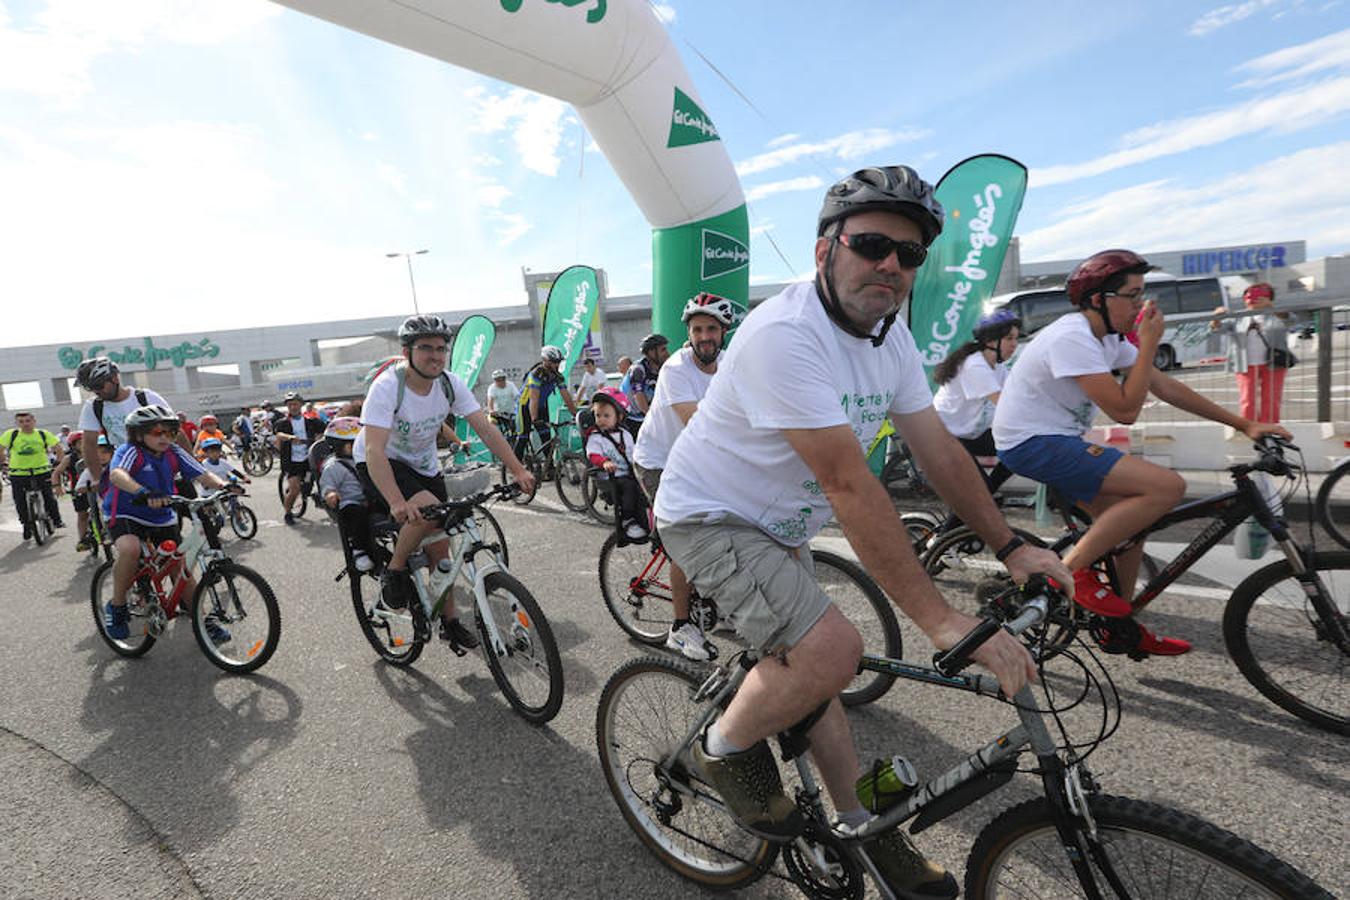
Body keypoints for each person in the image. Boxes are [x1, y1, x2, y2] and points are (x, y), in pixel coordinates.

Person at [654, 166, 1070, 897]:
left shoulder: (889, 336)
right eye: (872, 244)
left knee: (820, 678)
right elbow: (850, 484)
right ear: (825, 251)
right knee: (832, 648)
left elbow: (936, 447)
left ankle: (860, 829)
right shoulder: (785, 336)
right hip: (710, 512)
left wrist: (1011, 545)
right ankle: (723, 749)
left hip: (779, 520)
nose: (891, 264)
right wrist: (940, 618)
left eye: (908, 254)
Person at [993, 249, 1290, 656]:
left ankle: (1119, 624)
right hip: (1031, 441)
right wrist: (1148, 342)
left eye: (1141, 294)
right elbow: (1126, 409)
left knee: (1132, 528)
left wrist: (1245, 424)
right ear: (1099, 299)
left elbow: (1165, 387)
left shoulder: (1105, 338)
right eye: (1132, 295)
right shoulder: (1072, 337)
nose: (1141, 304)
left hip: (1058, 439)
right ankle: (1069, 575)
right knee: (1166, 487)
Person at [355, 314, 534, 648]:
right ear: (407, 350)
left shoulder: (450, 383)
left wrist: (518, 469)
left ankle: (449, 621)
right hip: (381, 461)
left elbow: (485, 428)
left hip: (423, 464)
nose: (436, 355)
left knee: (442, 546)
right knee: (428, 510)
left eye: (441, 348)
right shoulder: (388, 387)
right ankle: (394, 571)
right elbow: (374, 449)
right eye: (426, 348)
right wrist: (396, 501)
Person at [633, 291, 734, 661]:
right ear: (688, 333)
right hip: (659, 462)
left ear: (724, 332)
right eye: (697, 329)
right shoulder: (677, 369)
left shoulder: (729, 364)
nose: (704, 335)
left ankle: (715, 602)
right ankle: (680, 627)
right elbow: (697, 423)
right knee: (688, 540)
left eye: (712, 328)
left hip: (698, 460)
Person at [101, 404, 237, 643]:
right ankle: (117, 606)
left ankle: (202, 620)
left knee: (179, 565)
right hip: (126, 512)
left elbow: (201, 473)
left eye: (170, 432)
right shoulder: (131, 450)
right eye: (157, 432)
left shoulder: (174, 452)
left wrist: (224, 486)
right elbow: (117, 475)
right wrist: (143, 491)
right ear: (139, 435)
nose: (165, 437)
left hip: (161, 514)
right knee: (130, 549)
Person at [931, 311, 1020, 496]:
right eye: (1009, 338)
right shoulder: (975, 365)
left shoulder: (998, 366)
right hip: (945, 436)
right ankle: (979, 505)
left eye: (1016, 339)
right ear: (991, 341)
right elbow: (1005, 404)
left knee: (1020, 449)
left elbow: (1016, 396)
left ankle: (989, 497)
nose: (1014, 344)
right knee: (978, 492)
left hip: (969, 433)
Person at [74, 357, 174, 479]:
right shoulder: (93, 406)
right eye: (90, 387)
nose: (96, 391)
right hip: (125, 465)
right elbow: (89, 444)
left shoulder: (147, 398)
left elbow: (176, 434)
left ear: (115, 378)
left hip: (159, 461)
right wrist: (97, 478)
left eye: (99, 385)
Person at [1210, 282, 1291, 424]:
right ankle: (1249, 426)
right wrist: (1216, 318)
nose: (1251, 299)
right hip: (1245, 363)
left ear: (1269, 298)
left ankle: (1269, 426)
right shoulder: (1238, 317)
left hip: (1274, 362)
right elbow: (1216, 330)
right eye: (1247, 296)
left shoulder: (1275, 315)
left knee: (1272, 397)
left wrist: (1271, 307)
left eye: (1258, 296)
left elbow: (1291, 320)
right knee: (1247, 398)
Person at [585, 387, 647, 540]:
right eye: (598, 415)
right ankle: (627, 521)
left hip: (627, 472)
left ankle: (645, 521)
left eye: (607, 415)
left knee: (645, 487)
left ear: (619, 417)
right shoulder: (595, 437)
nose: (601, 420)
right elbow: (592, 454)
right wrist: (604, 462)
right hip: (610, 476)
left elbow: (633, 454)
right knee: (629, 487)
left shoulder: (625, 434)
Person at [318, 417, 377, 573]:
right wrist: (330, 494)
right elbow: (327, 485)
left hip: (369, 500)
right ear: (339, 445)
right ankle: (358, 551)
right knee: (358, 514)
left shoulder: (365, 459)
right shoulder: (333, 466)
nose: (360, 447)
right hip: (349, 503)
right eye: (354, 444)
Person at [0, 412, 66, 539]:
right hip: (18, 473)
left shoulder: (43, 434)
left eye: (27, 421)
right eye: (21, 421)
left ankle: (56, 520)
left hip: (41, 471)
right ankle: (26, 524)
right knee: (19, 500)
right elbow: (0, 449)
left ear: (34, 421)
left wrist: (58, 463)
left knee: (49, 497)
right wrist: (3, 462)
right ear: (17, 423)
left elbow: (59, 449)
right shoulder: (11, 434)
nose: (25, 424)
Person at [514, 345, 578, 462]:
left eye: (558, 362)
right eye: (554, 362)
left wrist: (575, 413)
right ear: (545, 361)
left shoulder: (557, 376)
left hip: (541, 406)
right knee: (523, 436)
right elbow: (534, 398)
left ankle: (550, 468)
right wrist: (534, 418)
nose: (557, 365)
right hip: (525, 406)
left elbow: (566, 396)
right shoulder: (536, 374)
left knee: (546, 437)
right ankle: (516, 469)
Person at [274, 391, 325, 525]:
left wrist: (319, 438)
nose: (293, 407)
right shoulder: (282, 422)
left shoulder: (311, 421)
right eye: (290, 405)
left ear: (301, 405)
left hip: (309, 460)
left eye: (295, 404)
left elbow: (324, 430)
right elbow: (279, 434)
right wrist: (290, 438)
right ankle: (288, 513)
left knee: (314, 483)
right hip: (292, 461)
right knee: (295, 489)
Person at [621, 333, 669, 439]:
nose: (667, 353)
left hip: (644, 417)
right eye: (663, 350)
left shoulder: (661, 368)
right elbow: (639, 396)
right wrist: (651, 417)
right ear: (651, 352)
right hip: (631, 419)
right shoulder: (638, 369)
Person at [73, 436, 114, 550]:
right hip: (105, 503)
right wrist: (94, 487)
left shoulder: (121, 465)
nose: (101, 456)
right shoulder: (90, 470)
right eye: (97, 453)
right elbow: (79, 488)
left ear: (112, 453)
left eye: (105, 452)